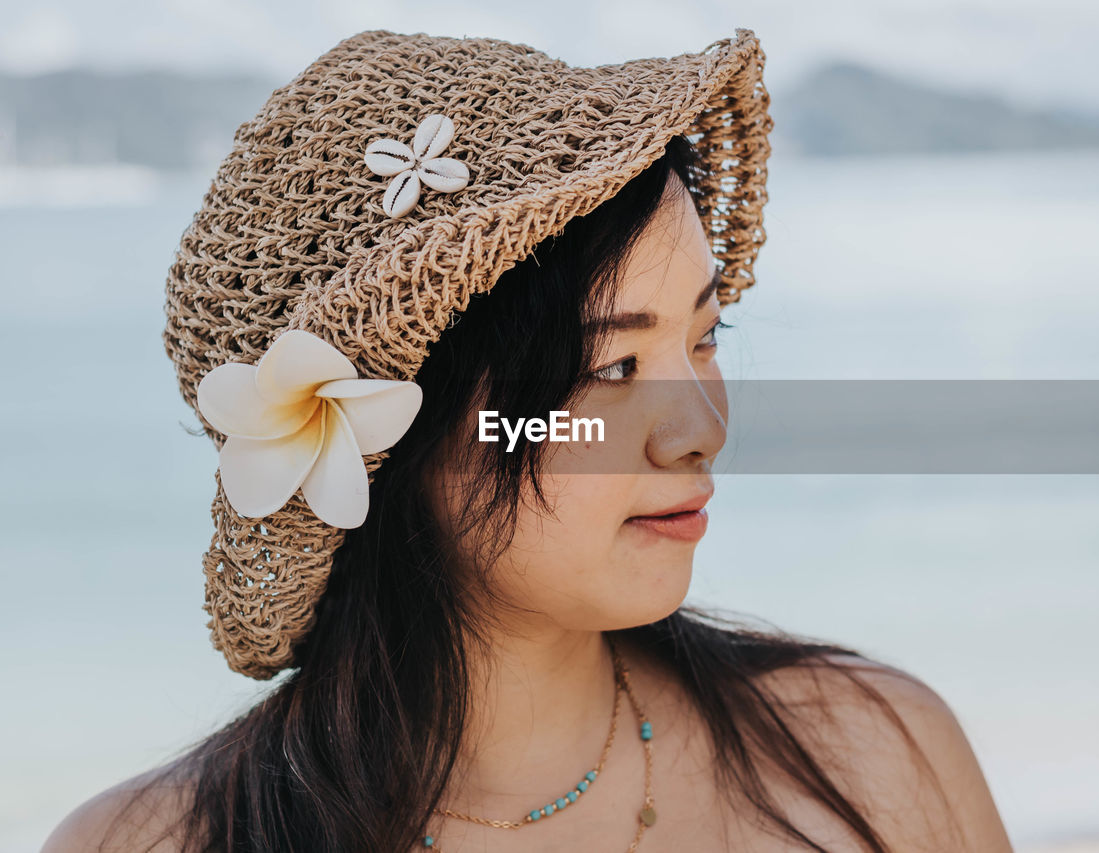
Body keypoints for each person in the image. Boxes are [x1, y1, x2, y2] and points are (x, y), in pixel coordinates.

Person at [41, 28, 1012, 853]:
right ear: (391, 424)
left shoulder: (873, 758)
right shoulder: (151, 841)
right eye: (611, 369)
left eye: (703, 339)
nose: (699, 432)